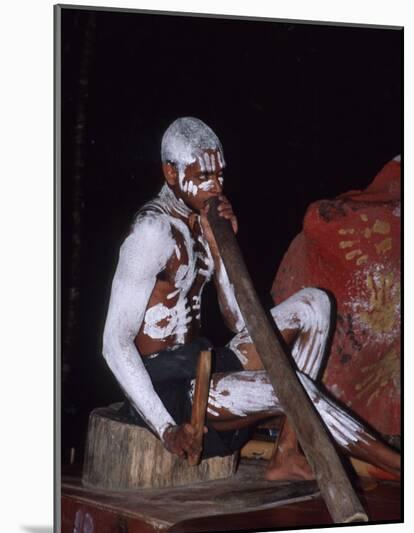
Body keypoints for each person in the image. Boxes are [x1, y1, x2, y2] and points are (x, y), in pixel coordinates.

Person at [102, 117, 400, 481]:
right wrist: (167, 430)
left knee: (315, 304)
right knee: (293, 386)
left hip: (202, 360)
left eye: (220, 176)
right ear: (170, 173)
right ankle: (399, 467)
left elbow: (239, 323)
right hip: (168, 389)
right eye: (203, 177)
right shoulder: (152, 232)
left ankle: (287, 452)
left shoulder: (200, 221)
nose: (215, 188)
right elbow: (114, 344)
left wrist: (221, 248)